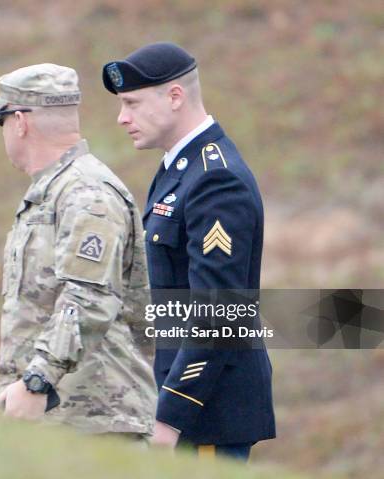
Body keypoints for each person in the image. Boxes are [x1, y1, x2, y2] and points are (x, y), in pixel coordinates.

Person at [102, 42, 276, 460]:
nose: (122, 117)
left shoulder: (215, 180)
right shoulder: (180, 168)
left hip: (204, 416)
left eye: (132, 103)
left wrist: (170, 415)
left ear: (175, 96)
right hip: (184, 409)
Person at [0, 63, 157, 436]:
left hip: (95, 420)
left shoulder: (86, 193)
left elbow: (89, 299)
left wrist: (37, 380)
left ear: (19, 122)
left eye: (0, 121)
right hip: (59, 418)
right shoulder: (55, 191)